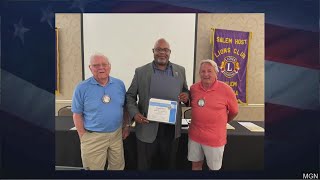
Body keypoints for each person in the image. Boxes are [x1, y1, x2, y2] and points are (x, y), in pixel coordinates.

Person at [126, 38, 189, 170]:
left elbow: (185, 90)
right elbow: (130, 96)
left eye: (165, 50)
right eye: (159, 49)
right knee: (144, 167)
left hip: (171, 130)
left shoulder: (180, 70)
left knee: (168, 166)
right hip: (146, 127)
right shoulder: (141, 72)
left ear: (170, 52)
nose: (162, 53)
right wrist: (135, 114)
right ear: (153, 51)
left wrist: (186, 96)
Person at [71, 53, 130, 170]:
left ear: (110, 66)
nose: (101, 68)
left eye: (104, 64)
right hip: (93, 137)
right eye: (96, 65)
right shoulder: (81, 88)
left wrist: (126, 126)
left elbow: (125, 107)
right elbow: (77, 114)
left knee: (117, 168)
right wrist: (84, 137)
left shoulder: (119, 84)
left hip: (116, 135)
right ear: (90, 68)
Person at [188, 59, 238, 170]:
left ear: (216, 73)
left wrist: (221, 122)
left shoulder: (227, 90)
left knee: (214, 169)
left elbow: (234, 111)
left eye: (209, 71)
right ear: (199, 73)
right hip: (194, 137)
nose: (206, 74)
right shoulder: (193, 88)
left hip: (215, 139)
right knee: (195, 165)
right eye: (203, 71)